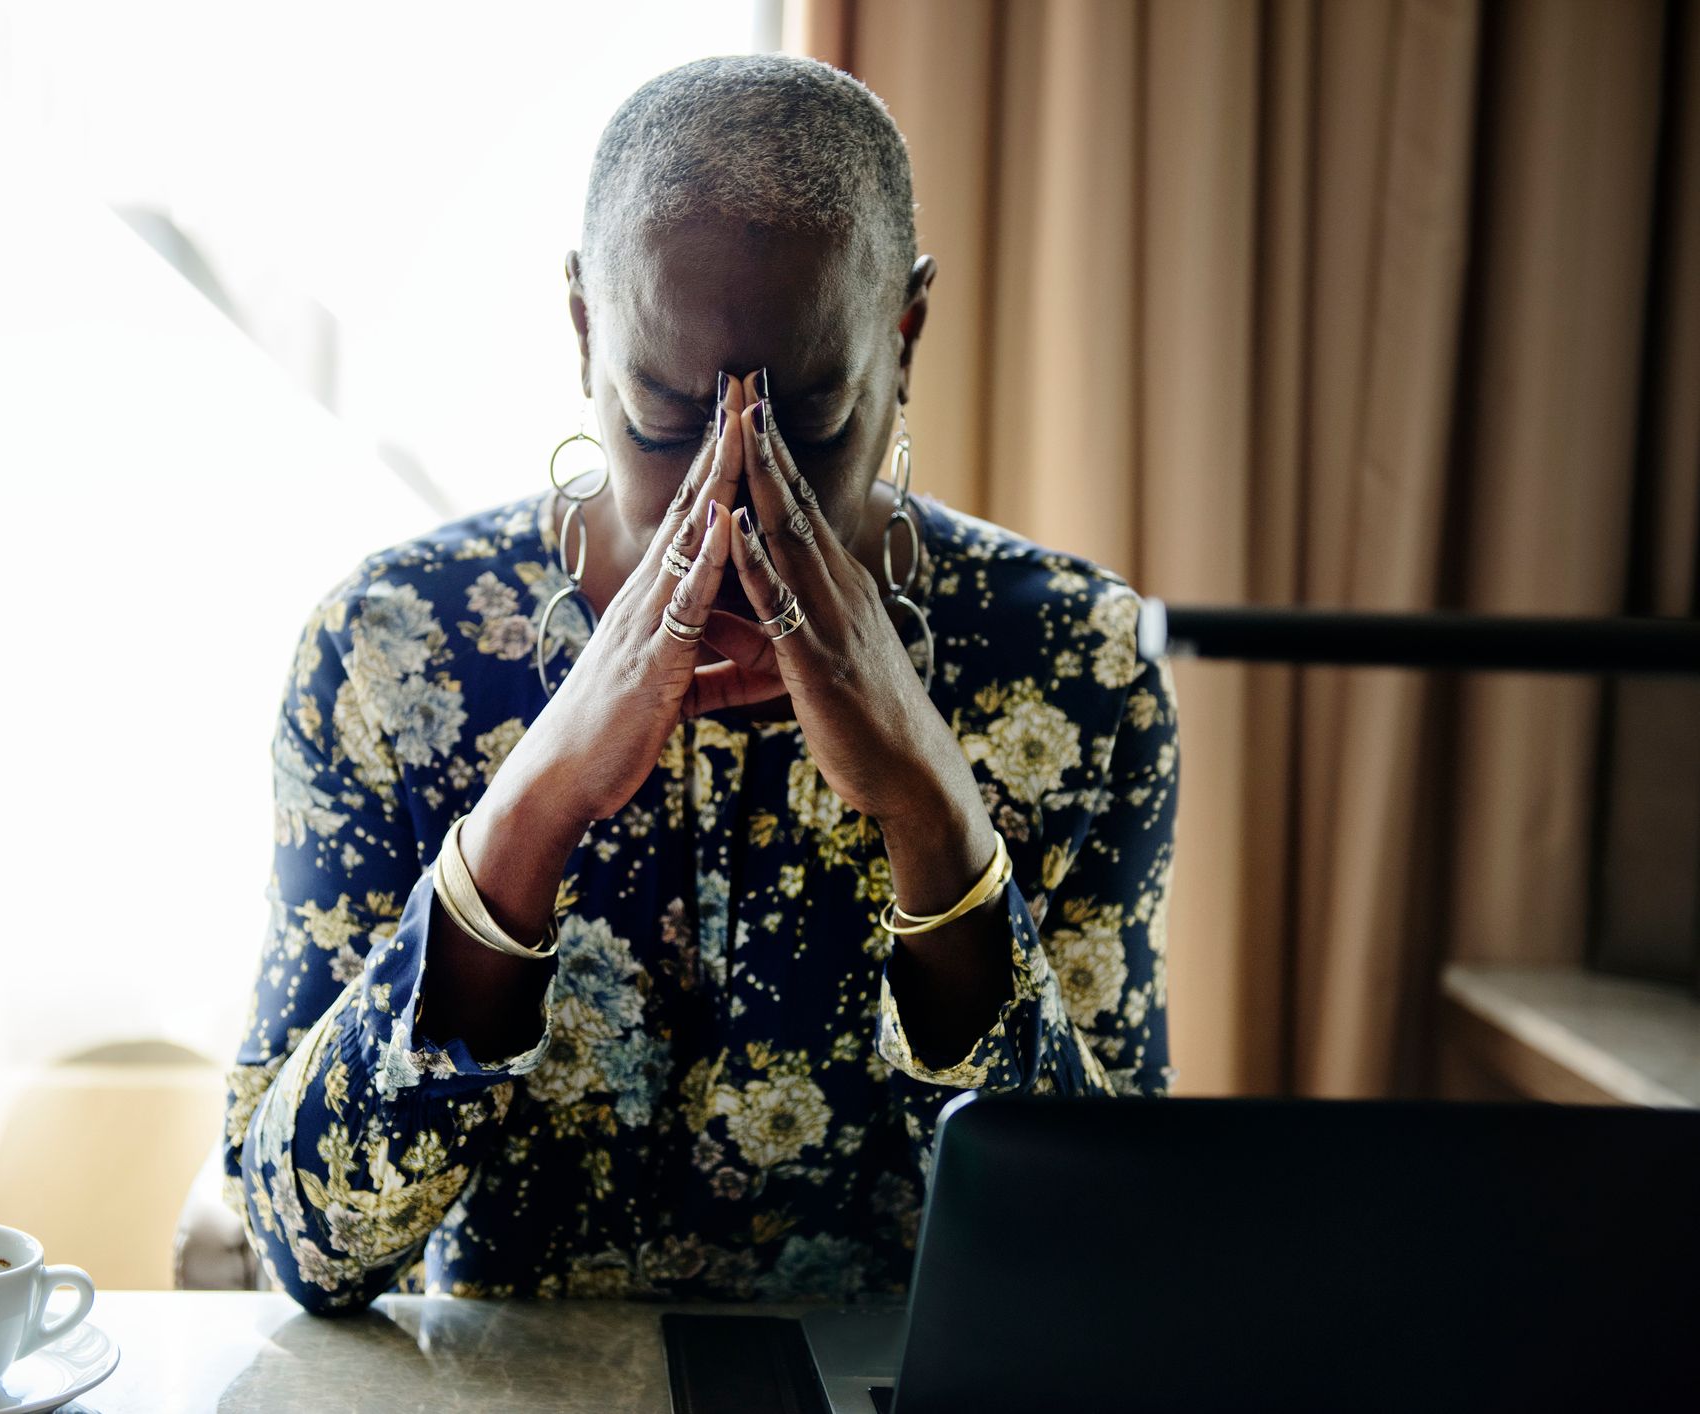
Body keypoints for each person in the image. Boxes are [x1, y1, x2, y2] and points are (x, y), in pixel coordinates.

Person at [221, 53, 1178, 1312]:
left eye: (812, 424)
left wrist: (933, 815)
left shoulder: (1077, 663)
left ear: (906, 331)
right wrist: (529, 811)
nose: (726, 500)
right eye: (665, 420)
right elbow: (303, 1244)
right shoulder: (390, 651)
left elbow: (1106, 1259)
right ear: (582, 331)